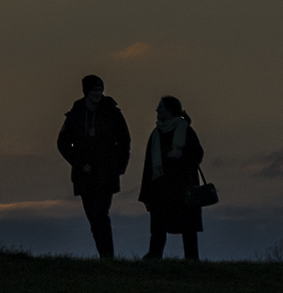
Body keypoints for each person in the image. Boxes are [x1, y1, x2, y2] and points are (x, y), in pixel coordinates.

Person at [57, 74, 131, 259]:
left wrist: (118, 167)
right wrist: (79, 162)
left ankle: (108, 257)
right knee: (93, 217)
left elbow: (124, 141)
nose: (98, 93)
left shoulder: (112, 113)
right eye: (94, 90)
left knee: (101, 214)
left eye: (100, 90)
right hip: (84, 174)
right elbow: (63, 143)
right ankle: (104, 255)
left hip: (106, 173)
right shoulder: (75, 115)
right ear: (86, 92)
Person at [137, 95, 205, 260]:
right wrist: (146, 196)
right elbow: (148, 166)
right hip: (161, 190)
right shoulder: (156, 134)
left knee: (188, 228)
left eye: (160, 107)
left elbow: (198, 154)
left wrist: (181, 154)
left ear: (169, 110)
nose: (157, 110)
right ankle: (154, 257)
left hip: (184, 188)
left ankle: (192, 260)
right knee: (158, 228)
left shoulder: (185, 129)